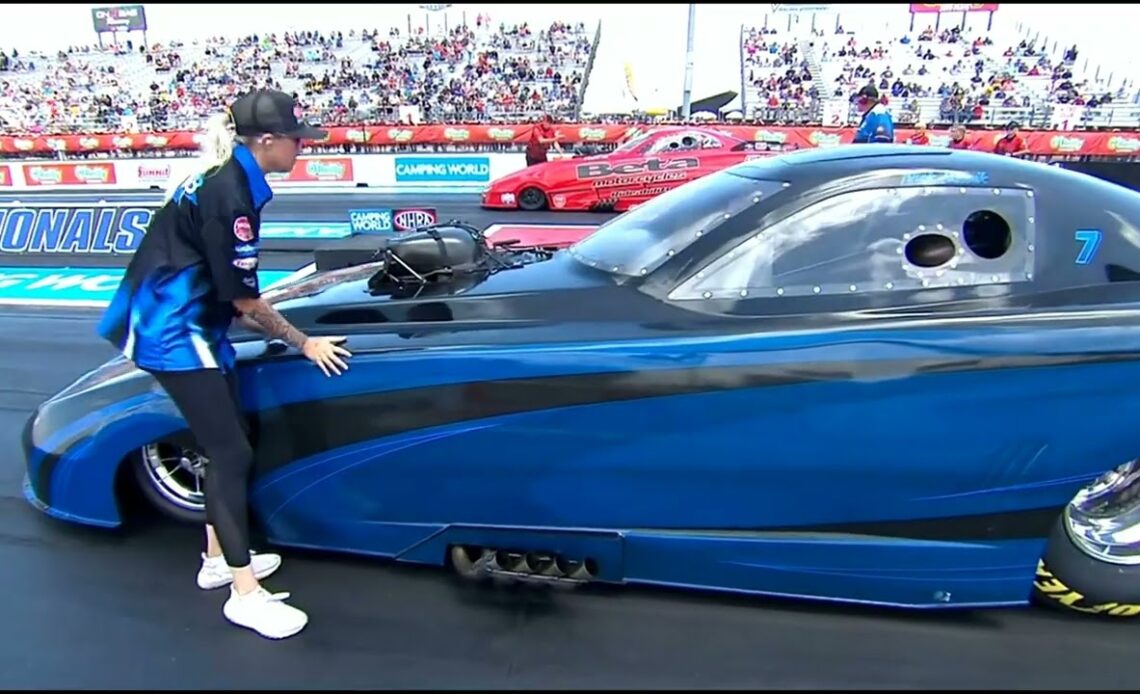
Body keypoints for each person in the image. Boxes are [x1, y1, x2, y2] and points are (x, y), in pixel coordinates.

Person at [96, 88, 353, 640]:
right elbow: (246, 303)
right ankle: (244, 593)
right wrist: (303, 342)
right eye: (295, 140)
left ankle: (218, 560)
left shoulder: (229, 177)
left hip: (191, 325)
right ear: (266, 142)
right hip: (173, 332)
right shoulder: (229, 193)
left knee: (229, 440)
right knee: (230, 451)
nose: (301, 151)